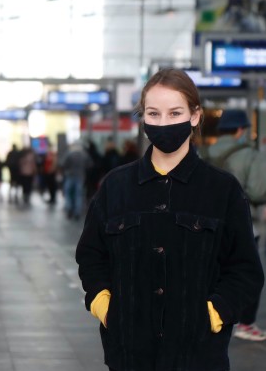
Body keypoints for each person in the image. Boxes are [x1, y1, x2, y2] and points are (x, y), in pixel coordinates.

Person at [76, 68, 264, 371]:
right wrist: (107, 309)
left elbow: (245, 270)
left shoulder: (222, 189)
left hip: (199, 357)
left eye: (175, 112)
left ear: (195, 115)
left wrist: (212, 316)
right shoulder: (116, 187)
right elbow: (91, 256)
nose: (163, 123)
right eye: (154, 113)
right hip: (129, 356)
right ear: (143, 117)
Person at [204, 108, 266, 341]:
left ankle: (211, 315)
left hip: (204, 223)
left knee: (213, 271)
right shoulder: (250, 155)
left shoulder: (203, 152)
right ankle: (246, 323)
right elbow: (259, 190)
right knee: (246, 271)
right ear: (241, 130)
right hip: (242, 223)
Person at [61, 140, 93, 220]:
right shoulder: (84, 154)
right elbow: (90, 164)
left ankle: (69, 209)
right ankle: (77, 212)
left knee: (68, 193)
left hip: (70, 175)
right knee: (78, 194)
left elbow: (63, 164)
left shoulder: (69, 154)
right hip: (80, 176)